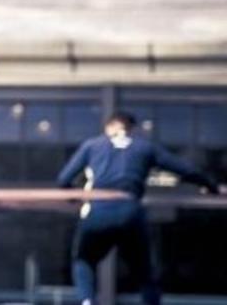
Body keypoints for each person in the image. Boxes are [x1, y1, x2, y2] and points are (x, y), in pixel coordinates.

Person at [57, 111, 224, 305]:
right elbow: (185, 169)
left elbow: (63, 180)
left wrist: (75, 197)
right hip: (130, 212)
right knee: (144, 269)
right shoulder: (144, 147)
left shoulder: (93, 146)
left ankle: (87, 300)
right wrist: (210, 185)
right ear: (131, 129)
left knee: (84, 260)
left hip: (98, 211)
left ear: (108, 127)